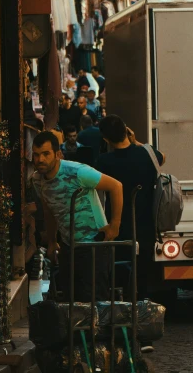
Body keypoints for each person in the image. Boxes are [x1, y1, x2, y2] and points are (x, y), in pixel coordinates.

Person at [32, 131, 123, 301]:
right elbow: (49, 211)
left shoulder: (77, 172)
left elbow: (116, 186)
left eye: (45, 154)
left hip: (93, 244)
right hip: (68, 244)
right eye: (36, 155)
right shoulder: (38, 180)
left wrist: (114, 226)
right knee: (71, 300)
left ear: (57, 154)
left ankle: (98, 329)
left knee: (95, 300)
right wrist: (52, 241)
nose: (40, 160)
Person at [97, 115, 165, 299]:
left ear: (106, 139)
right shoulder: (148, 154)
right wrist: (137, 143)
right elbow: (162, 158)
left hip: (117, 226)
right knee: (142, 273)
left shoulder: (104, 162)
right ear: (126, 130)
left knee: (119, 274)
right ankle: (141, 308)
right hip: (146, 225)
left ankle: (122, 309)